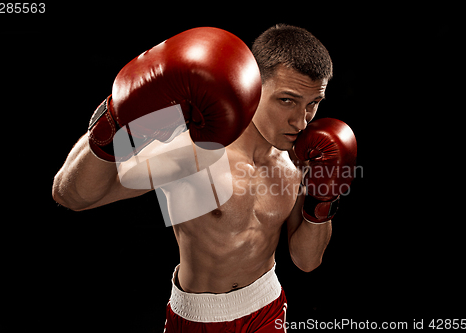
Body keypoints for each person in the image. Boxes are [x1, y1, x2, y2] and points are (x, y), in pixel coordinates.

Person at [52, 24, 356, 332]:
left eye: (313, 103)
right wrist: (114, 120)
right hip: (199, 320)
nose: (301, 120)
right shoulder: (198, 149)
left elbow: (307, 260)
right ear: (254, 84)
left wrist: (324, 197)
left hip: (268, 308)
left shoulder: (300, 158)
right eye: (287, 100)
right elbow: (71, 196)